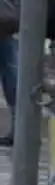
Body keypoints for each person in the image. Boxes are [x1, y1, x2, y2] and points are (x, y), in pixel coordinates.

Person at [0, 1, 17, 146]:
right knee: (10, 75)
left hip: (5, 25)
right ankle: (17, 129)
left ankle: (17, 129)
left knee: (11, 77)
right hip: (7, 25)